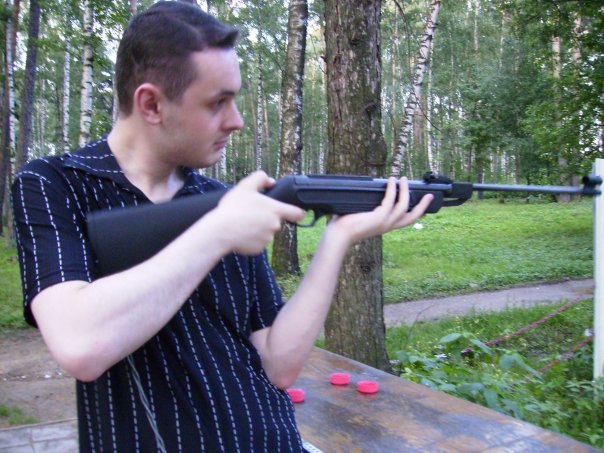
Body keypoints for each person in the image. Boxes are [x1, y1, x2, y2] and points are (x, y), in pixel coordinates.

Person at [11, 2, 433, 452]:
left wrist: (338, 238)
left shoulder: (223, 200)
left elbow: (279, 365)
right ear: (151, 104)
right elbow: (79, 345)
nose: (236, 121)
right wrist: (216, 233)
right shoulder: (54, 184)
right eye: (217, 103)